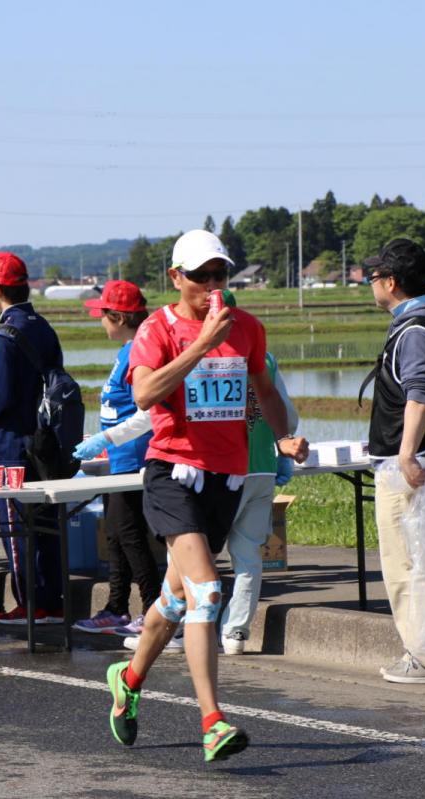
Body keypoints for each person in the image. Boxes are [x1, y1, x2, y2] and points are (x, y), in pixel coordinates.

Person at [105, 230, 308, 763]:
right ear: (176, 277)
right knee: (207, 592)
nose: (213, 284)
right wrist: (200, 343)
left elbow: (265, 392)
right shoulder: (157, 329)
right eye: (201, 276)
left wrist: (284, 438)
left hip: (226, 480)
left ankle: (127, 679)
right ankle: (212, 721)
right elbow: (144, 393)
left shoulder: (247, 328)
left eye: (220, 274)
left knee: (174, 601)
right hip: (172, 475)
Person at [363, 237, 425, 685]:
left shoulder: (416, 330)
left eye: (374, 276)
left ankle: (423, 656)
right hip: (422, 461)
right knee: (422, 561)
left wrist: (405, 455)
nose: (370, 284)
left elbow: (419, 393)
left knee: (408, 565)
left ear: (391, 282)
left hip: (411, 468)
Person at [0, 251, 65, 625]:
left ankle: (29, 603)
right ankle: (53, 601)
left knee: (15, 527)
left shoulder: (4, 336)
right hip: (46, 442)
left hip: (11, 444)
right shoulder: (43, 327)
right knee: (47, 523)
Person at [70, 281, 161, 636]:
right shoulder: (126, 350)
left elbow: (147, 413)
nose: (100, 321)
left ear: (119, 317)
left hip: (133, 458)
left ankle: (153, 608)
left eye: (102, 315)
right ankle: (116, 607)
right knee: (115, 535)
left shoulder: (140, 352)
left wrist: (105, 438)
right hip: (117, 457)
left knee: (130, 534)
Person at [217, 288, 299, 655]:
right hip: (262, 468)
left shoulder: (204, 356)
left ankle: (187, 627)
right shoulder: (264, 358)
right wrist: (281, 448)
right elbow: (288, 415)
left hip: (218, 471)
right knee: (248, 556)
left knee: (196, 555)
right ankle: (236, 632)